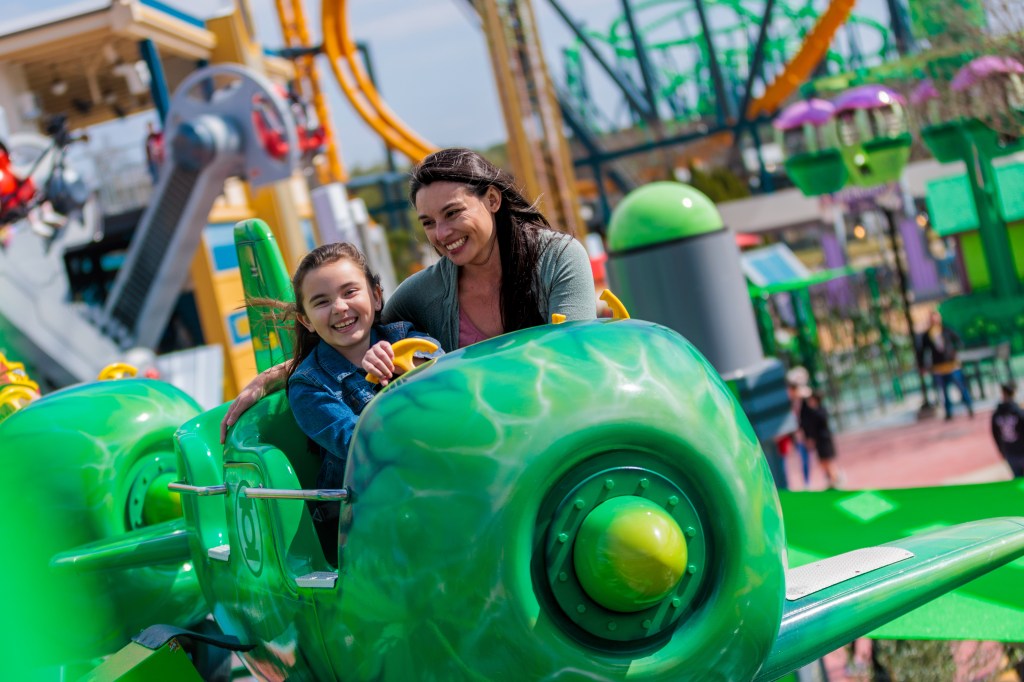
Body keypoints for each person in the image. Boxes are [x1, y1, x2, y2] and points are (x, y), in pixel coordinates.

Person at [221, 148, 596, 440]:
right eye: (429, 223)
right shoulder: (424, 292)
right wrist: (282, 371)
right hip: (481, 446)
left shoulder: (557, 258)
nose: (442, 233)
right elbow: (353, 332)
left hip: (556, 427)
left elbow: (575, 365)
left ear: (493, 201)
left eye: (453, 213)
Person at [271, 242, 442, 557]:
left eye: (350, 292)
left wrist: (406, 367)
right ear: (306, 320)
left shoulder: (403, 337)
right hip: (359, 518)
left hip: (430, 486)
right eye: (321, 302)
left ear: (376, 296)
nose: (339, 307)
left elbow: (447, 378)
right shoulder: (307, 386)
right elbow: (360, 445)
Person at [919, 310, 974, 421]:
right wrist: (923, 365)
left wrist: (955, 352)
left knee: (961, 387)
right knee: (943, 392)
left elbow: (959, 341)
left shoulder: (946, 330)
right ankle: (948, 412)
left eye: (936, 317)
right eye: (932, 318)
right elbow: (922, 351)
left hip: (952, 365)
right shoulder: (927, 335)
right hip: (938, 367)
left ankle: (969, 406)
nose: (934, 320)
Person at [799, 388, 841, 489]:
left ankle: (836, 480)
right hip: (820, 441)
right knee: (823, 462)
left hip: (824, 441)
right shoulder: (814, 412)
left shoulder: (820, 412)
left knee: (828, 462)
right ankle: (831, 481)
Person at [992, 382, 1024, 478]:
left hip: (1009, 451)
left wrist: (1002, 451)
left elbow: (995, 435)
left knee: (1018, 480)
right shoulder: (1019, 412)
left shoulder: (997, 414)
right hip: (1021, 451)